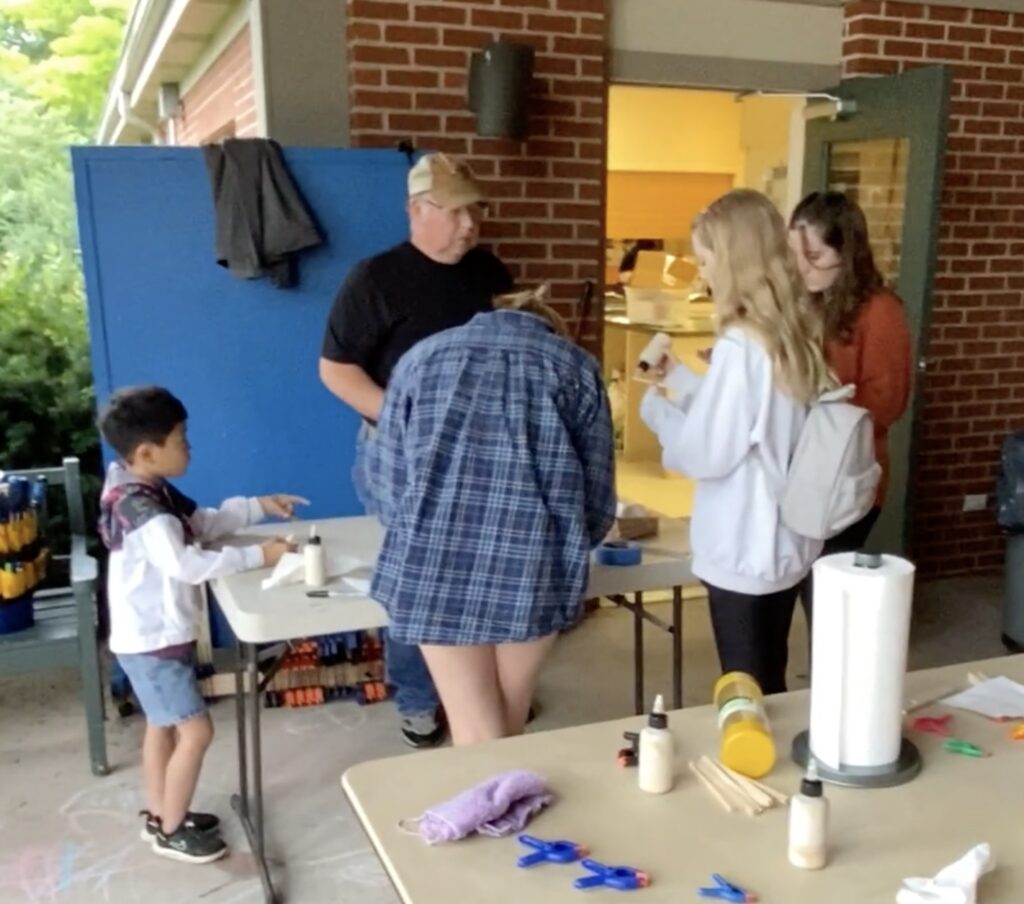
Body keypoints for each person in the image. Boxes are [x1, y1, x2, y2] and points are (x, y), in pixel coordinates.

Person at [358, 289, 616, 745]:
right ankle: (501, 811)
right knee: (509, 717)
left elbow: (387, 482)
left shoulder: (420, 360)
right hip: (533, 567)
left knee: (474, 725)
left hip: (434, 565)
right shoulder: (574, 367)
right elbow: (596, 501)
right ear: (548, 326)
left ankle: (487, 813)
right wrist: (571, 545)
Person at [318, 152, 513, 749]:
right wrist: (405, 419)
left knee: (483, 569)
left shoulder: (488, 273)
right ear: (415, 211)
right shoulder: (374, 280)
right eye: (453, 212)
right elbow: (336, 370)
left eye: (473, 210)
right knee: (418, 572)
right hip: (401, 452)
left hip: (481, 448)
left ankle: (482, 694)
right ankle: (420, 699)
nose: (467, 225)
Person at [640, 190, 833, 695]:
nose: (702, 274)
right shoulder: (792, 333)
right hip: (784, 544)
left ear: (732, 262)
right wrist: (682, 382)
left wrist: (659, 415)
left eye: (705, 261)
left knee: (749, 689)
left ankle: (758, 769)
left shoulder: (742, 343)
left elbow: (709, 452)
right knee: (770, 672)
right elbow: (756, 419)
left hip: (745, 547)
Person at [98, 386, 301, 864]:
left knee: (163, 727)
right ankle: (171, 829)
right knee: (196, 733)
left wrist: (258, 504)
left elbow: (202, 523)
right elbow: (187, 564)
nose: (190, 447)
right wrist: (260, 556)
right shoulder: (144, 510)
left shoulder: (145, 486)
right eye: (182, 439)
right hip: (154, 641)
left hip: (148, 636)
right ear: (148, 451)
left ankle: (161, 811)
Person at [788, 191, 912, 626]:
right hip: (805, 470)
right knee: (798, 592)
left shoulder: (880, 310)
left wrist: (815, 397)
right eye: (795, 254)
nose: (801, 267)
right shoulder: (808, 301)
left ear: (847, 253)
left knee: (825, 599)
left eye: (814, 255)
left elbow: (888, 402)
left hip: (846, 476)